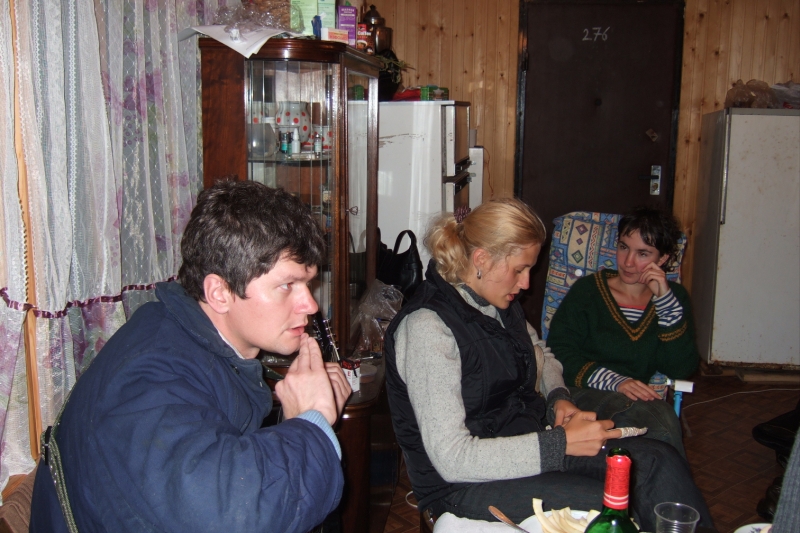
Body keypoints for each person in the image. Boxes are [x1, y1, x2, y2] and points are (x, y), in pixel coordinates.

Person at [29, 181, 351, 533]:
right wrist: (310, 422)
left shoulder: (189, 337)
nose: (310, 305)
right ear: (220, 293)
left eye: (308, 283)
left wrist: (296, 422)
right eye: (287, 285)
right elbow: (230, 515)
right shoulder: (147, 379)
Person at [383, 198, 714, 531]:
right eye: (520, 269)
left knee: (657, 461)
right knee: (614, 504)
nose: (526, 283)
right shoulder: (427, 328)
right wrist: (560, 444)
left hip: (527, 444)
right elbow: (453, 460)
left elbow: (543, 352)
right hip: (462, 487)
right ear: (481, 259)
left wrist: (558, 397)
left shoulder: (498, 302)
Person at [547, 207, 698, 457]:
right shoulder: (587, 292)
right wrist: (616, 381)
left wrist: (665, 303)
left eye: (643, 253)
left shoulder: (674, 299)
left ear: (662, 259)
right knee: (660, 429)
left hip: (636, 404)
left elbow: (679, 368)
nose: (628, 262)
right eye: (623, 247)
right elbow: (558, 354)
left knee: (654, 433)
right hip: (583, 395)